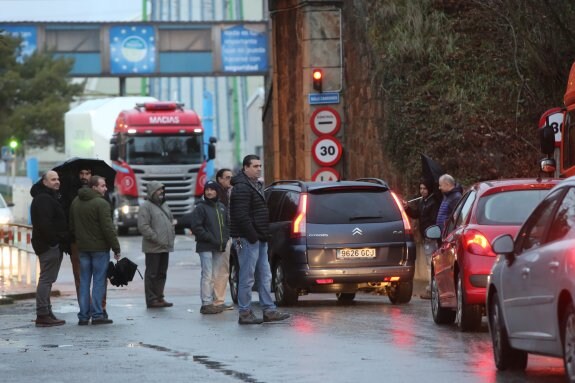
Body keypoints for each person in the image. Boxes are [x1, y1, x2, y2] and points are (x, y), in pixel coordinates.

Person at [229, 154, 290, 325]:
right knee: (247, 277)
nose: (259, 169)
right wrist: (253, 235)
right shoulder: (241, 187)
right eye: (255, 166)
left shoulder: (255, 185)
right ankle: (245, 312)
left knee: (265, 275)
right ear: (245, 168)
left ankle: (268, 310)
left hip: (259, 237)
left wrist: (261, 235)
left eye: (260, 166)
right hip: (248, 239)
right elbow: (241, 215)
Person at [69, 176, 120, 325]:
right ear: (94, 187)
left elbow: (72, 226)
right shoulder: (101, 204)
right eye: (103, 186)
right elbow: (108, 229)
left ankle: (83, 316)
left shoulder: (75, 202)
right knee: (99, 281)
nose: (105, 188)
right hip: (99, 249)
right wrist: (116, 248)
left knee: (84, 282)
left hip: (83, 249)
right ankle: (97, 314)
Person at [30, 171, 70, 327]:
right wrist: (54, 242)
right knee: (46, 279)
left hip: (50, 245)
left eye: (58, 179)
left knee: (48, 279)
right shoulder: (43, 199)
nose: (57, 182)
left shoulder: (49, 197)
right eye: (53, 179)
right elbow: (44, 224)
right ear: (44, 182)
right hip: (48, 246)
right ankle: (42, 313)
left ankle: (47, 312)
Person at [190, 180, 230, 314]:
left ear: (217, 191)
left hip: (219, 246)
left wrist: (224, 239)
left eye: (212, 189)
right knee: (207, 275)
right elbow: (196, 227)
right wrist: (210, 238)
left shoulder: (221, 207)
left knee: (215, 274)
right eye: (207, 189)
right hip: (206, 246)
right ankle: (206, 303)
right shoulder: (200, 207)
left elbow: (226, 226)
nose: (209, 192)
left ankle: (214, 302)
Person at [137, 181, 176, 309]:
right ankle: (151, 299)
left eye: (162, 190)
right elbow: (143, 226)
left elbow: (170, 220)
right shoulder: (146, 207)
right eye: (158, 190)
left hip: (165, 246)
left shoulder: (164, 205)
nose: (161, 193)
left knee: (161, 273)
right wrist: (156, 238)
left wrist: (171, 233)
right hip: (153, 247)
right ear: (152, 192)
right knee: (152, 274)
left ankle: (159, 297)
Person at [404, 179, 439, 300]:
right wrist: (407, 208)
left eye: (425, 188)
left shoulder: (433, 202)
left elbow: (434, 220)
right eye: (421, 188)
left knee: (431, 263)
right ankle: (432, 287)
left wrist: (430, 231)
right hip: (425, 236)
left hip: (432, 236)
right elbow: (416, 214)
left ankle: (431, 288)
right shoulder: (422, 202)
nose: (422, 191)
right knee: (429, 263)